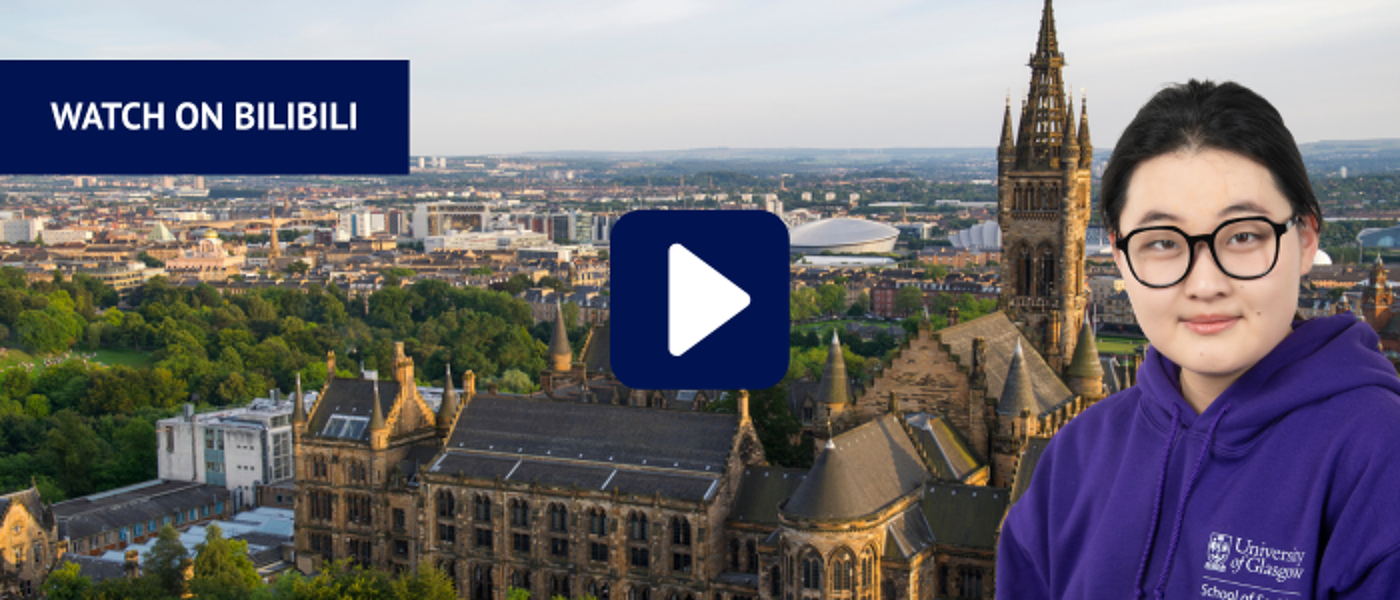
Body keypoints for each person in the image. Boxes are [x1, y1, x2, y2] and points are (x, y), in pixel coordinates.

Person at [997, 80, 1400, 599]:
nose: (1205, 283)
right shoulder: (1074, 456)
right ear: (1120, 257)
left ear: (1304, 240)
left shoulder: (1377, 458)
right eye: (1163, 242)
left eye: (1243, 236)